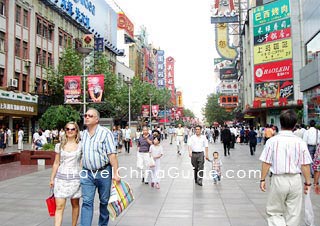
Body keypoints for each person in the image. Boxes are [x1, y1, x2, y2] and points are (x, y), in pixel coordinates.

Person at [259, 109, 312, 226]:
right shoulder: (300, 142)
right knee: (293, 213)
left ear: (280, 123)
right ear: (294, 124)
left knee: (274, 211)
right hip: (295, 180)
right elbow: (305, 164)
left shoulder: (272, 142)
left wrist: (262, 179)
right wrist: (308, 182)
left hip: (278, 179)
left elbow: (266, 162)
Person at [80, 108, 120, 226]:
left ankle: (103, 224)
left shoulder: (105, 133)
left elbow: (112, 154)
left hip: (103, 172)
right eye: (85, 115)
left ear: (97, 119)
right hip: (87, 173)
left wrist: (116, 173)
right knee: (87, 202)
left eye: (90, 116)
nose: (86, 117)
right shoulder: (83, 135)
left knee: (104, 202)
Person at [49, 122, 82, 226]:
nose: (70, 131)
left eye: (72, 129)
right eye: (68, 129)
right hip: (61, 178)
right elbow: (56, 163)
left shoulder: (81, 146)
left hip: (75, 178)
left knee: (75, 204)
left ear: (76, 131)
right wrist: (52, 179)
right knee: (59, 206)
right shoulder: (59, 146)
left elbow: (83, 163)